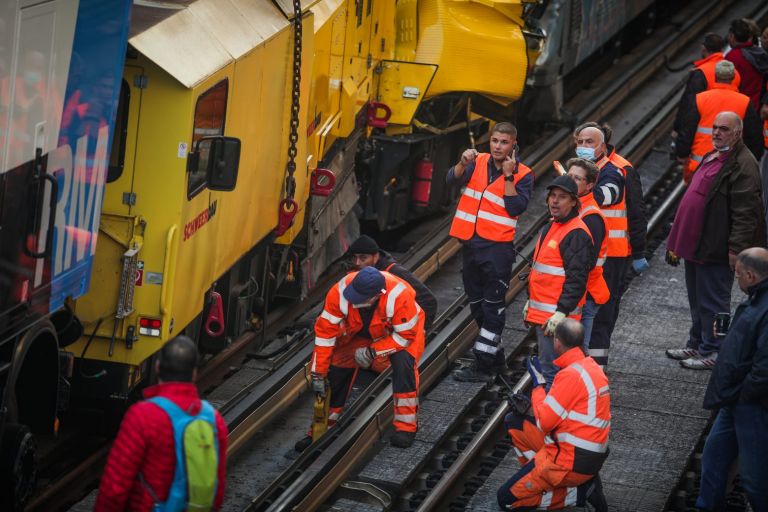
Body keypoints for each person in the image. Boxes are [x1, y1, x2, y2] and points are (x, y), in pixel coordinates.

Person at [666, 112, 766, 369]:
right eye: (715, 127)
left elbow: (747, 212)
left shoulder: (743, 164)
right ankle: (697, 342)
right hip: (697, 245)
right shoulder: (714, 155)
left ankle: (714, 350)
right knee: (697, 298)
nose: (717, 132)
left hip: (716, 247)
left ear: (737, 132)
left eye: (723, 129)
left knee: (715, 301)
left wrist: (735, 250)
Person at [95, 336, 228, 512]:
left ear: (158, 367)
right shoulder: (214, 419)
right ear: (194, 373)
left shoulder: (143, 416)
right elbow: (216, 489)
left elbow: (115, 488)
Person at [446, 122, 534, 382]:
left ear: (513, 145)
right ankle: (495, 357)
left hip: (497, 249)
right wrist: (462, 162)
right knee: (476, 304)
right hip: (471, 245)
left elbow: (516, 206)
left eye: (504, 142)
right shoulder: (478, 161)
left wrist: (508, 176)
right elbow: (451, 180)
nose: (497, 146)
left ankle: (484, 366)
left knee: (493, 306)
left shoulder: (523, 173)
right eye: (494, 141)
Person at [301, 267, 425, 449]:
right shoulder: (339, 292)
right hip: (357, 332)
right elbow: (325, 336)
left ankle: (406, 428)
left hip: (399, 334)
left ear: (376, 296)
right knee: (336, 372)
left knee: (404, 367)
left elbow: (405, 337)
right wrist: (319, 373)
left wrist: (372, 352)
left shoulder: (399, 296)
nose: (353, 301)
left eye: (359, 298)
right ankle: (321, 429)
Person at [497, 319, 609, 511]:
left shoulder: (570, 375)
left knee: (507, 499)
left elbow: (544, 423)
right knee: (515, 422)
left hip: (570, 461)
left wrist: (538, 386)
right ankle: (542, 477)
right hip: (584, 456)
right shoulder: (590, 367)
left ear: (557, 342)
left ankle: (579, 494)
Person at [695, 247, 768, 511]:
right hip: (736, 399)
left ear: (750, 275)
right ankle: (707, 506)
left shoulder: (764, 305)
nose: (735, 280)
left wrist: (744, 394)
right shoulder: (757, 298)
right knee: (714, 457)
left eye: (737, 275)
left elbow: (764, 367)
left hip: (751, 403)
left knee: (755, 475)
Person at [524, 175, 592, 386]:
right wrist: (530, 300)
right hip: (545, 315)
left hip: (557, 319)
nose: (554, 201)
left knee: (552, 371)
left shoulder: (576, 233)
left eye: (562, 197)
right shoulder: (552, 226)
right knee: (551, 368)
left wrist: (561, 313)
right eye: (552, 196)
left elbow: (577, 279)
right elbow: (542, 271)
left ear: (573, 201)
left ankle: (552, 416)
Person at [573, 124, 628, 367]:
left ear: (603, 146)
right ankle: (584, 361)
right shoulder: (580, 172)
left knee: (601, 312)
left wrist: (573, 191)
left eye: (590, 142)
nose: (584, 147)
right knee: (585, 310)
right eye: (581, 142)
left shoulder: (612, 171)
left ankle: (596, 365)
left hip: (611, 256)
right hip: (590, 255)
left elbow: (610, 195)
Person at [676, 60, 763, 184]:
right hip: (730, 169)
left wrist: (682, 153)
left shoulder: (700, 99)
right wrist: (753, 159)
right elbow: (753, 135)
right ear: (733, 77)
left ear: (715, 76)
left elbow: (687, 130)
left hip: (700, 167)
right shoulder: (744, 102)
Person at [346, 234, 438, 330]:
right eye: (354, 258)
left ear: (376, 257)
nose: (357, 263)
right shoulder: (357, 272)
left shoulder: (394, 272)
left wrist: (420, 330)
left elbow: (429, 301)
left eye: (363, 258)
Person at [565, 158, 609, 350]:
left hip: (585, 295)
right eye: (569, 176)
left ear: (590, 185)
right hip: (577, 292)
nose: (571, 181)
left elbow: (586, 262)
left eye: (577, 178)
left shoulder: (590, 217)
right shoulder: (573, 208)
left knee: (576, 351)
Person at [674, 33, 742, 139]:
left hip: (704, 131)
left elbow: (688, 104)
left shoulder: (701, 72)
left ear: (703, 48)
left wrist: (678, 129)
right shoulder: (734, 72)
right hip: (728, 130)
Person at [726, 19, 768, 109]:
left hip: (738, 106)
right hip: (756, 105)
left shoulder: (732, 56)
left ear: (732, 37)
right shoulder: (760, 53)